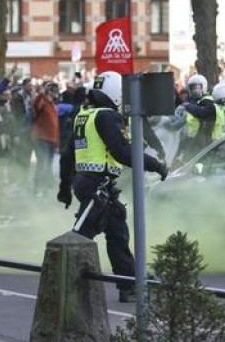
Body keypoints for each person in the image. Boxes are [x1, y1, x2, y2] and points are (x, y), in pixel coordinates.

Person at [58, 71, 168, 302]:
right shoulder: (107, 116)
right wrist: (154, 164)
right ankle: (62, 283)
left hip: (91, 183)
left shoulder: (84, 115)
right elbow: (122, 152)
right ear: (116, 93)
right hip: (98, 186)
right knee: (81, 237)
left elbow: (67, 154)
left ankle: (128, 283)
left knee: (117, 233)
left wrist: (65, 186)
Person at [176, 74, 217, 162]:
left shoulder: (207, 100)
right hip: (189, 138)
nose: (195, 91)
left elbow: (203, 112)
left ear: (204, 87)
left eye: (197, 88)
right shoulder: (193, 101)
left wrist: (188, 107)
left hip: (203, 140)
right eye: (192, 88)